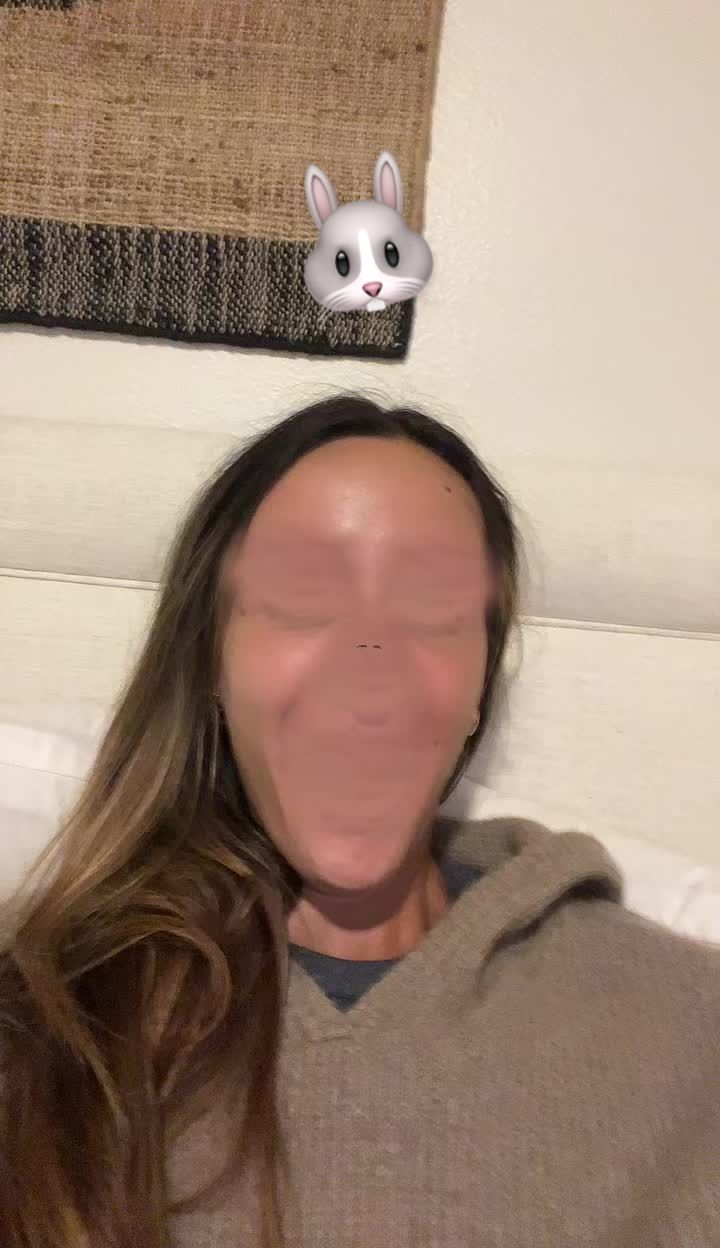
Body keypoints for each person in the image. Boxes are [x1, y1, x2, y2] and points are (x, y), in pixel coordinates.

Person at [0, 390, 718, 1248]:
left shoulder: (688, 1031)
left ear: (477, 692)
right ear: (211, 667)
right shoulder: (37, 1013)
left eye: (432, 612)